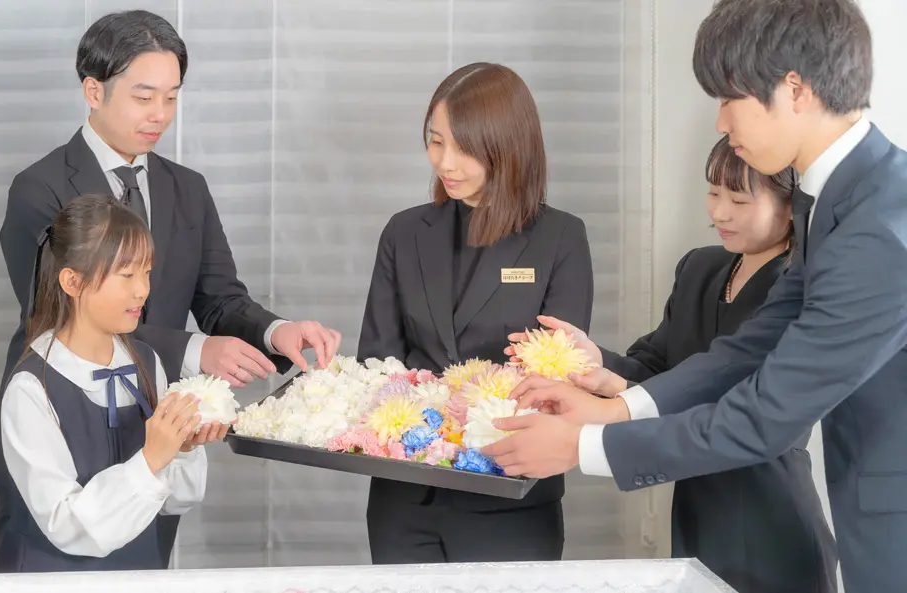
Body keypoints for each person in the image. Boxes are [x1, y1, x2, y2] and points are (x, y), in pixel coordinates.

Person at [483, 1, 907, 590]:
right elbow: (749, 347)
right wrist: (616, 408)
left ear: (795, 89)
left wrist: (586, 446)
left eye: (730, 98)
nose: (720, 123)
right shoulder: (836, 200)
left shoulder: (880, 226)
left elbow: (767, 415)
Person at [0, 10, 342, 566]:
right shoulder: (40, 187)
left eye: (172, 98)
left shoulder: (187, 189)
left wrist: (276, 331)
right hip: (59, 431)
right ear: (93, 91)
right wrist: (198, 350)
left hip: (151, 433)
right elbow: (53, 312)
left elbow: (221, 298)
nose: (160, 115)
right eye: (144, 96)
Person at [503, 137, 837, 593]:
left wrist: (595, 427)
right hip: (696, 512)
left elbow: (733, 403)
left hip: (769, 516)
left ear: (792, 206)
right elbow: (660, 367)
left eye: (740, 200)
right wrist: (599, 365)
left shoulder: (798, 289)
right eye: (714, 192)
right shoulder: (700, 267)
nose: (720, 212)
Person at [357, 62, 593, 563]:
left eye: (465, 148)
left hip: (509, 499)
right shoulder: (404, 233)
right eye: (436, 141)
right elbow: (378, 363)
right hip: (406, 497)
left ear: (509, 147)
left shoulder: (561, 238)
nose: (446, 162)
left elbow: (560, 378)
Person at [0, 194, 228, 572]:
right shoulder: (31, 388)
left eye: (147, 272)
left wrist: (181, 448)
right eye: (126, 275)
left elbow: (172, 500)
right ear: (73, 281)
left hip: (138, 574)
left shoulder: (147, 363)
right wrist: (151, 458)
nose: (142, 290)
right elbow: (67, 524)